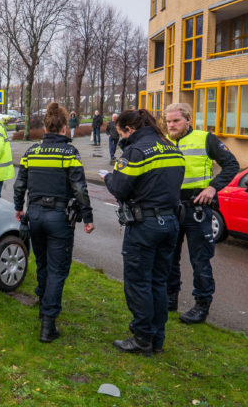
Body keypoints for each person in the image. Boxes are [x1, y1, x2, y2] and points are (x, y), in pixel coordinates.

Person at [102, 109, 185, 356]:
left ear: (130, 129)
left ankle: (142, 338)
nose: (121, 139)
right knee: (158, 282)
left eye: (121, 134)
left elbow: (120, 188)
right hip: (170, 222)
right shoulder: (172, 148)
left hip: (145, 226)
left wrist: (108, 178)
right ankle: (157, 339)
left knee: (139, 283)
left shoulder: (136, 152)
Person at [14, 102, 95, 343]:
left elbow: (20, 184)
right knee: (58, 270)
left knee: (42, 263)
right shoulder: (69, 153)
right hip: (59, 217)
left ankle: (43, 305)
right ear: (63, 127)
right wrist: (87, 217)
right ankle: (48, 325)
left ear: (46, 127)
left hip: (35, 215)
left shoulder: (31, 152)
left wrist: (18, 207)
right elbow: (79, 188)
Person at [164, 103, 239, 324]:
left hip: (197, 208)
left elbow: (231, 165)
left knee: (200, 260)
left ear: (188, 120)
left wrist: (213, 187)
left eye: (176, 121)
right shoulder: (163, 142)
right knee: (169, 257)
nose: (171, 125)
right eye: (168, 121)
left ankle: (201, 306)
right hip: (171, 208)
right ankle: (170, 298)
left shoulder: (205, 138)